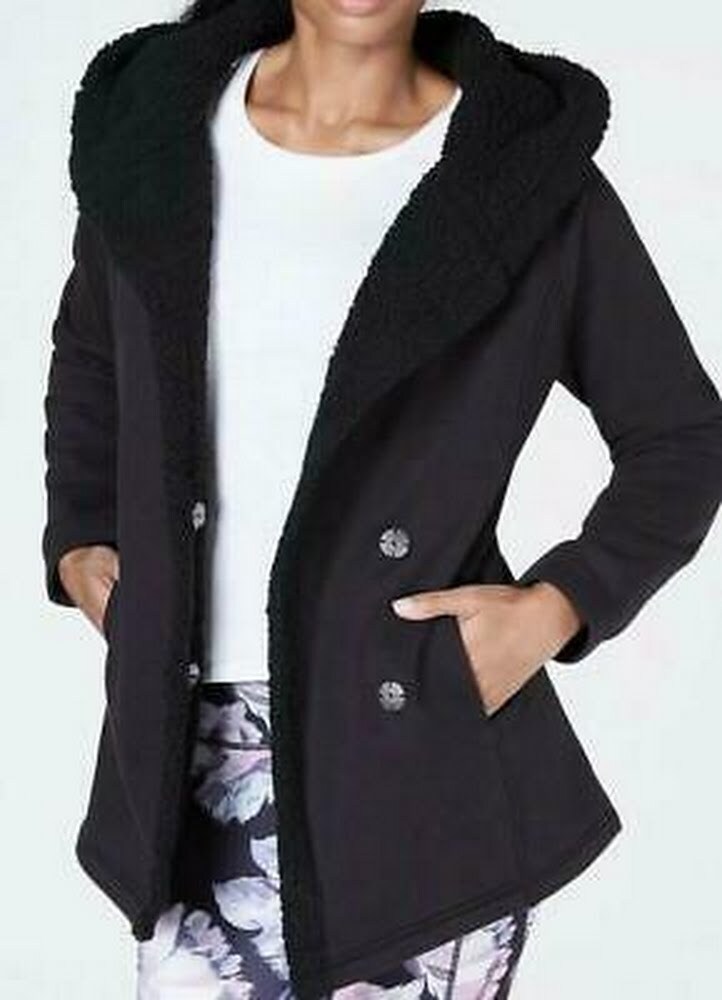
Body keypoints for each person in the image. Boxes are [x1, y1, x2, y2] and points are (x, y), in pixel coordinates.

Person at [42, 0, 722, 997]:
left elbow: (681, 436)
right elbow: (93, 354)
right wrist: (80, 534)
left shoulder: (524, 175)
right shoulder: (159, 133)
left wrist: (557, 607)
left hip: (411, 747)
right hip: (188, 750)